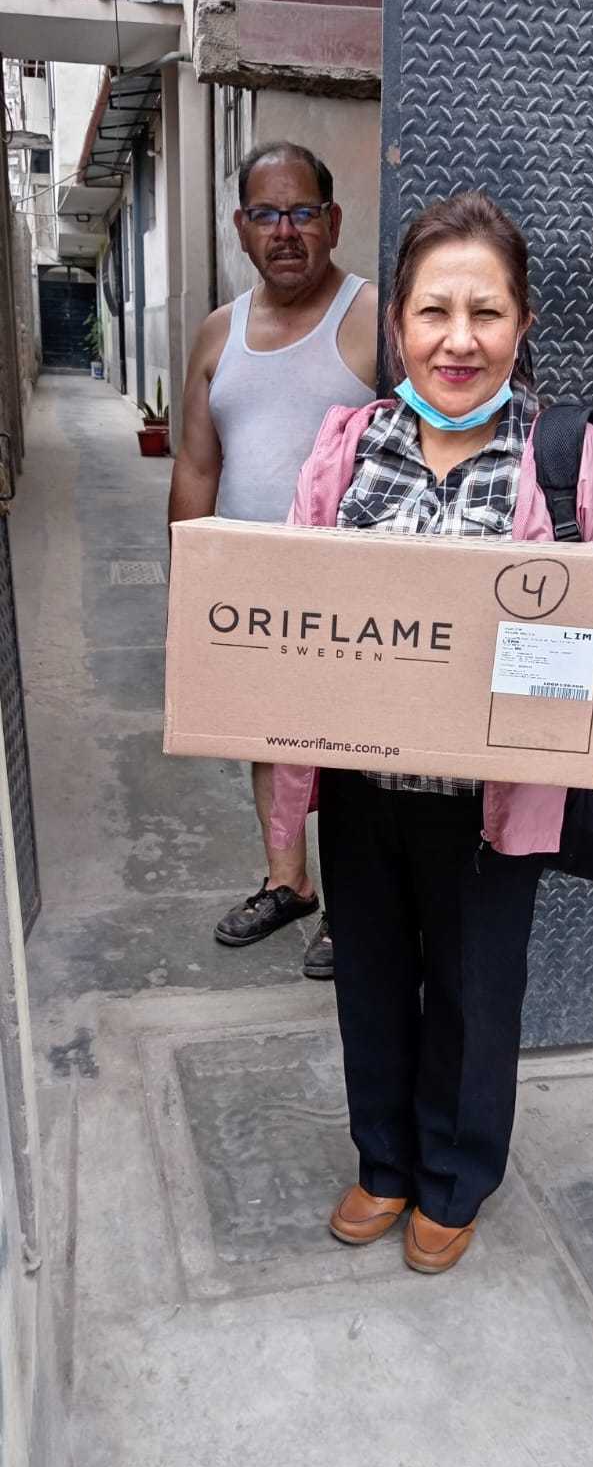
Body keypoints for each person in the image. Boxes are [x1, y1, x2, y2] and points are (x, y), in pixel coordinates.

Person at [269, 191, 593, 1273]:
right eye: (433, 311)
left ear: (521, 323)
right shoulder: (347, 446)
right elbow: (292, 601)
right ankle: (385, 1162)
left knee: (475, 994)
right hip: (362, 789)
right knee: (369, 982)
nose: (458, 339)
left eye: (485, 312)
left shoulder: (563, 455)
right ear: (397, 322)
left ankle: (453, 1176)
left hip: (494, 801)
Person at [168, 141, 378, 979]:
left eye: (301, 212)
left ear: (332, 220)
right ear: (240, 227)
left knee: (354, 751)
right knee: (266, 734)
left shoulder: (372, 318)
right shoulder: (218, 332)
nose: (284, 231)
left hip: (356, 591)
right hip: (253, 590)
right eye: (265, 214)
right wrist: (190, 588)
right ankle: (288, 882)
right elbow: (196, 464)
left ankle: (356, 908)